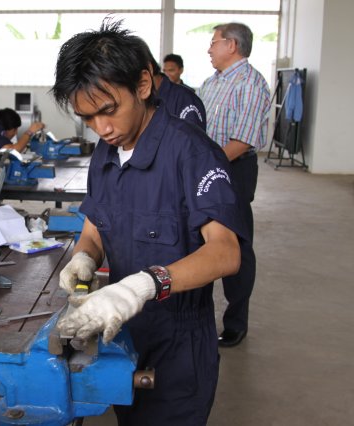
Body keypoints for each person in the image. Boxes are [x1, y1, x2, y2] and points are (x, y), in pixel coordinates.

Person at [52, 19, 247, 425]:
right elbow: (96, 224)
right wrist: (84, 257)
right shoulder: (106, 153)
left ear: (143, 85)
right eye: (88, 119)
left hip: (178, 345)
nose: (101, 128)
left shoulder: (191, 152)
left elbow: (226, 253)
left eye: (108, 111)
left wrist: (141, 286)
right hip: (123, 336)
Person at [197, 23, 271, 348]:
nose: (209, 49)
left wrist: (207, 166)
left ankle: (236, 324)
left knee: (236, 244)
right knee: (199, 235)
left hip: (235, 169)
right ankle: (195, 318)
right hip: (206, 167)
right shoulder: (210, 83)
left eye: (213, 43)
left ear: (231, 45)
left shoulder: (251, 84)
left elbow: (241, 142)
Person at [148, 50, 206, 131]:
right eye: (165, 70)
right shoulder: (152, 94)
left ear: (181, 70)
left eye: (171, 70)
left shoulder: (188, 96)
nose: (167, 73)